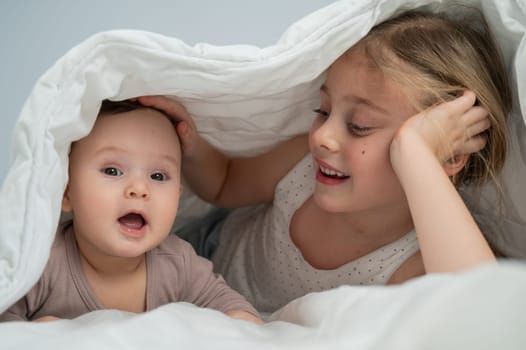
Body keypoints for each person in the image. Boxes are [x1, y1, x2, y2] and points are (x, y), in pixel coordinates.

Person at [137, 8, 512, 312]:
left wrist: (416, 153)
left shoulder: (416, 262)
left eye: (360, 126)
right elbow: (223, 183)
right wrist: (190, 144)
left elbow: (479, 311)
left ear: (446, 158)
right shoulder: (302, 165)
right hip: (202, 257)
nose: (322, 136)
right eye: (323, 109)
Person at [0, 100, 262, 323]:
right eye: (112, 171)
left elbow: (235, 309)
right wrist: (36, 334)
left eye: (158, 175)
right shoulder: (41, 263)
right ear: (66, 192)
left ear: (178, 196)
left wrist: (239, 323)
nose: (139, 188)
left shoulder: (177, 263)